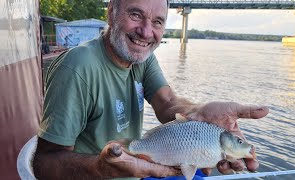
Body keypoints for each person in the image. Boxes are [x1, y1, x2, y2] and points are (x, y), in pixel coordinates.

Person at [33, 0, 269, 179]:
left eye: (157, 22)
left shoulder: (141, 57)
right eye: (136, 15)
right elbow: (44, 163)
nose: (146, 33)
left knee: (198, 171)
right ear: (111, 12)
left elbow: (167, 103)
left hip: (136, 168)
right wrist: (102, 167)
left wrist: (199, 112)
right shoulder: (76, 68)